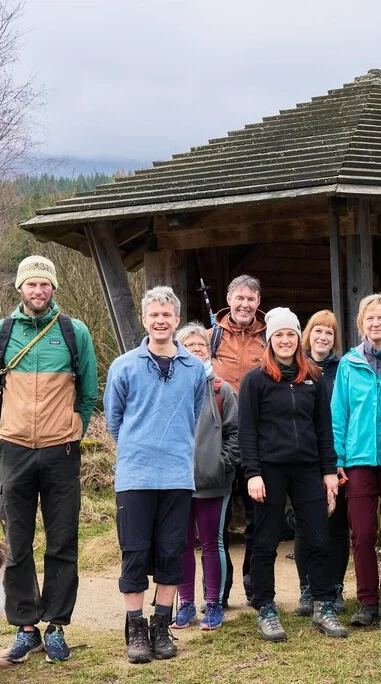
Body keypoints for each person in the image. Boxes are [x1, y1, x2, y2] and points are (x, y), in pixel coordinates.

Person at [0, 255, 98, 664]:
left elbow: (88, 390)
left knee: (62, 540)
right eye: (31, 284)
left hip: (61, 450)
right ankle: (26, 628)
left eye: (45, 284)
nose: (38, 290)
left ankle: (57, 626)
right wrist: (8, 425)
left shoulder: (73, 331)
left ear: (53, 289)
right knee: (16, 542)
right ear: (20, 288)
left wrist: (73, 426)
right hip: (14, 450)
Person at [104, 286, 207, 664]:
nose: (161, 321)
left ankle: (161, 627)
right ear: (144, 320)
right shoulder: (124, 365)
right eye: (154, 315)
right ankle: (136, 629)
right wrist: (139, 446)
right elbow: (114, 419)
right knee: (134, 554)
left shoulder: (194, 369)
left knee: (171, 553)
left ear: (176, 320)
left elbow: (194, 414)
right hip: (135, 477)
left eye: (167, 315)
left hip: (177, 476)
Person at [240, 307, 349, 641]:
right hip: (269, 470)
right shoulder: (255, 379)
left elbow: (324, 429)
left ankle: (323, 604)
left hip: (308, 469)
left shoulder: (313, 377)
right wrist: (252, 473)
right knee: (265, 541)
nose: (285, 340)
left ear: (297, 338)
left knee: (318, 537)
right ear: (270, 339)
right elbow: (246, 431)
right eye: (279, 335)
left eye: (290, 334)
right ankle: (266, 608)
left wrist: (329, 471)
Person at [331, 293, 381, 630]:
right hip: (359, 459)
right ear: (361, 324)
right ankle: (367, 601)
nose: (376, 323)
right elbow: (339, 413)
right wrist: (338, 457)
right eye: (370, 318)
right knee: (363, 534)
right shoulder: (348, 364)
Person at [172, 324, 239, 632]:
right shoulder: (170, 386)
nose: (196, 348)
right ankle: (185, 604)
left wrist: (221, 464)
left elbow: (235, 434)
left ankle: (214, 604)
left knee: (213, 544)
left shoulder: (223, 390)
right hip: (177, 481)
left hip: (213, 482)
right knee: (182, 544)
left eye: (201, 344)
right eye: (189, 344)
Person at [206, 274, 267, 607]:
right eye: (239, 298)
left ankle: (255, 586)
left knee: (259, 518)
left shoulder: (270, 336)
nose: (245, 304)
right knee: (219, 518)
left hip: (259, 440)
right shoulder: (210, 337)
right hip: (220, 440)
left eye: (251, 299)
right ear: (229, 299)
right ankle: (220, 590)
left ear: (258, 302)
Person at [293, 310, 349, 616]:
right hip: (304, 456)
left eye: (329, 332)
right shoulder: (296, 367)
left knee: (337, 525)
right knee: (307, 524)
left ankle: (335, 587)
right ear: (308, 335)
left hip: (336, 456)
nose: (323, 337)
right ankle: (307, 588)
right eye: (318, 331)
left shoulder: (344, 369)